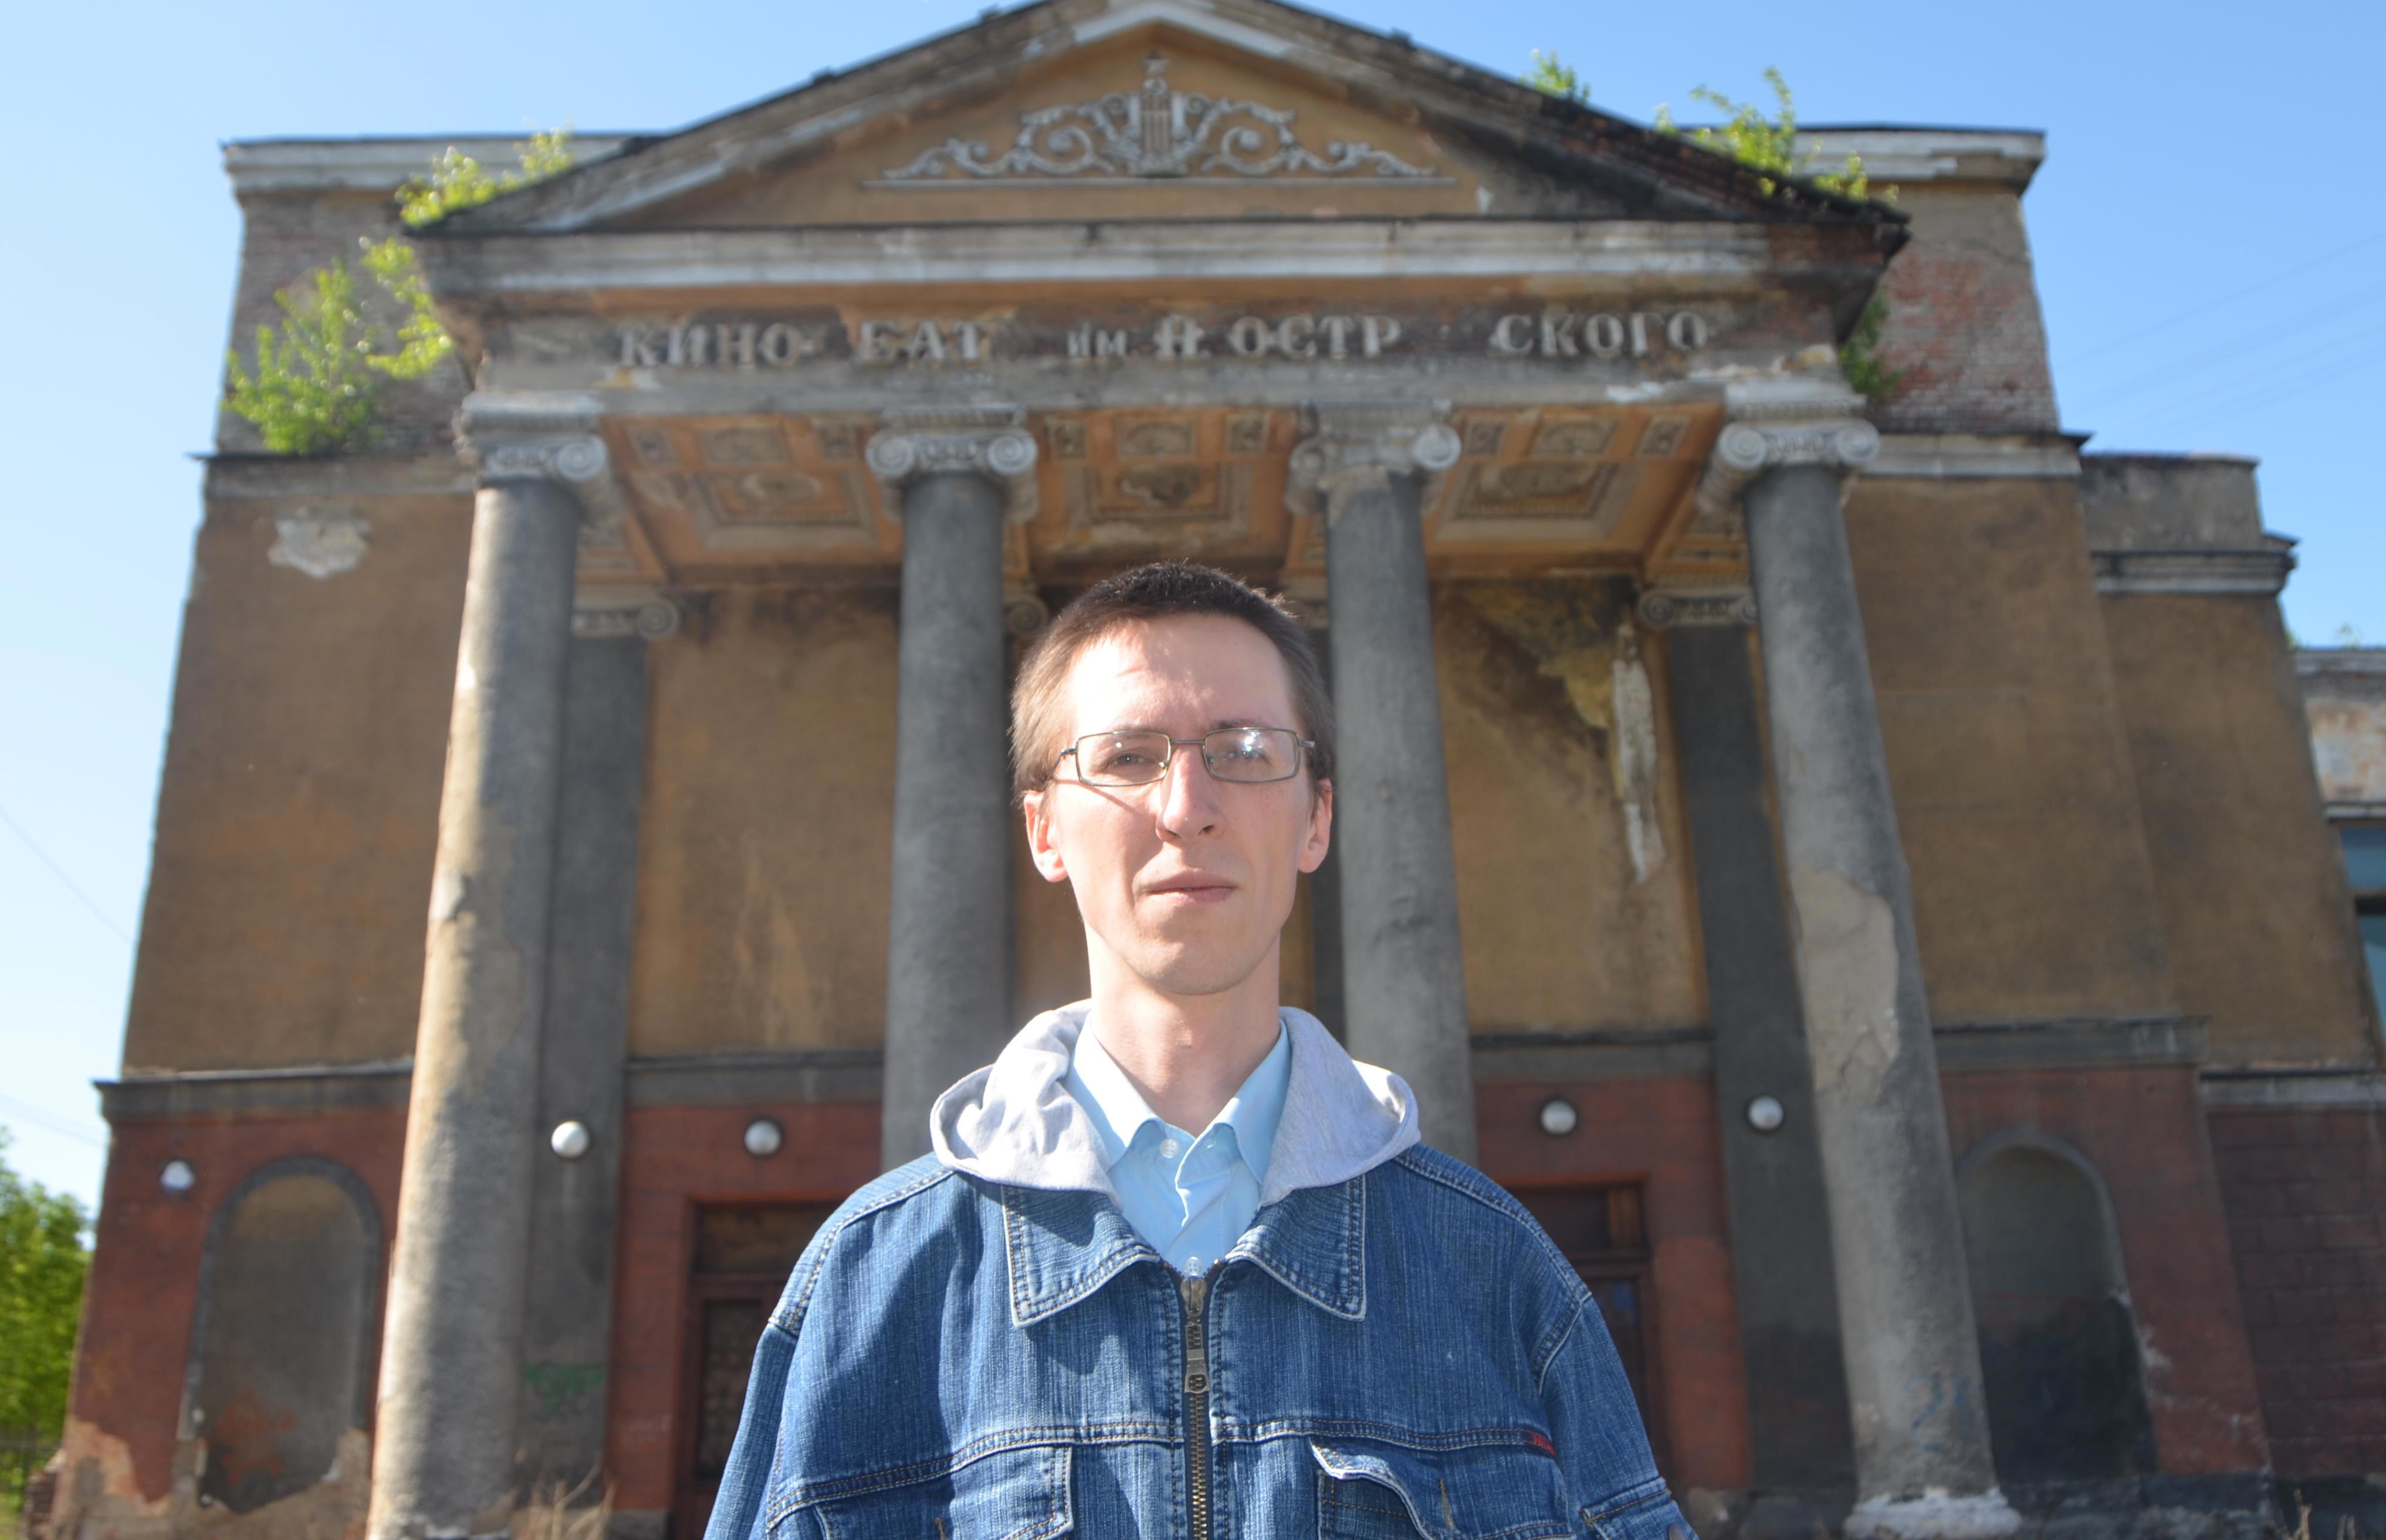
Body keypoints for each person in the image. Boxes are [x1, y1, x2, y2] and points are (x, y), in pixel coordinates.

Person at [705, 561, 1690, 1540]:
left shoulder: (1497, 1271)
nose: (1186, 806)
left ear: (1317, 819)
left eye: (1246, 749)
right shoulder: (869, 1283)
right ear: (1045, 830)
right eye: (1127, 757)